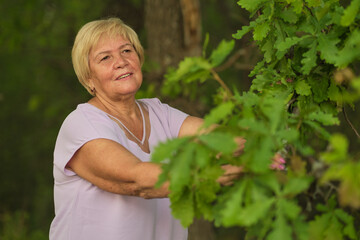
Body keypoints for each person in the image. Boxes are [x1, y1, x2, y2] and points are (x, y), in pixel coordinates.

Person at [49, 18, 244, 240]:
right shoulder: (82, 124)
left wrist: (270, 143)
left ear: (139, 58)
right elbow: (138, 180)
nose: (121, 61)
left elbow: (223, 140)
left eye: (126, 50)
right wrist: (215, 175)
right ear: (88, 78)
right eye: (105, 57)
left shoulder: (159, 113)